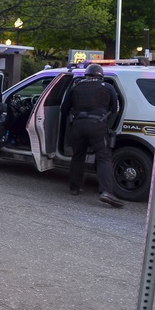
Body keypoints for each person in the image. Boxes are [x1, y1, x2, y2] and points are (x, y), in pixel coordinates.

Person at [61, 63, 123, 208]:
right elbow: (115, 108)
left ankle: (74, 188)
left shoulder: (76, 87)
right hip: (97, 125)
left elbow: (64, 109)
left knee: (77, 156)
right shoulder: (107, 87)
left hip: (77, 125)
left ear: (86, 75)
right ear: (100, 75)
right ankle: (106, 192)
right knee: (103, 157)